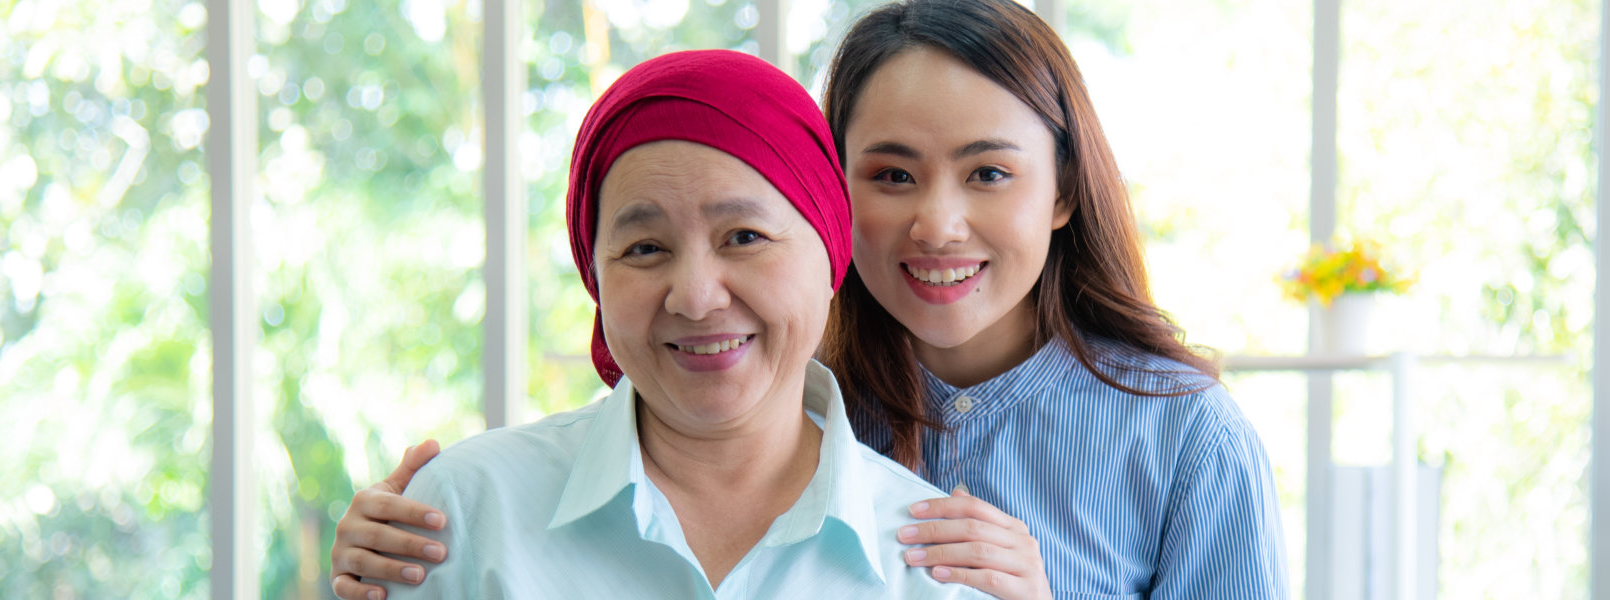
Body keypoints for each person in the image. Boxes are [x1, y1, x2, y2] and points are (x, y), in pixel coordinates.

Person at [334, 1, 1289, 598]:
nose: (938, 226)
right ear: (828, 202)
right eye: (891, 174)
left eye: (989, 174)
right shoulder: (755, 383)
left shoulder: (1186, 438)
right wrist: (408, 544)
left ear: (1064, 192)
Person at [367, 49, 982, 599]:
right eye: (644, 249)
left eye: (744, 237)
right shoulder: (460, 517)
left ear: (831, 256)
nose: (695, 297)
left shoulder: (941, 570)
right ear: (596, 280)